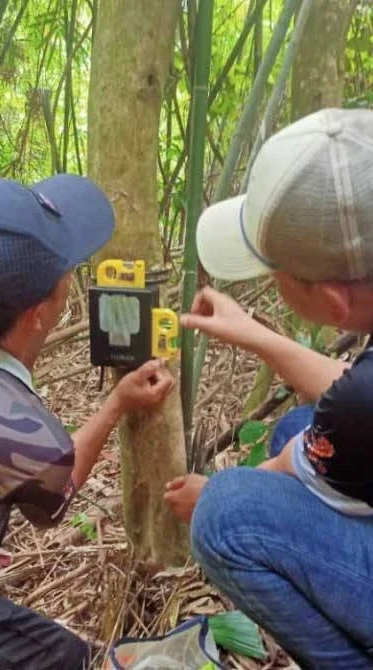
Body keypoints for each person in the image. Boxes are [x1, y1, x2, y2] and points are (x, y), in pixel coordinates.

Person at [162, 108, 373, 668]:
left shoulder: (360, 405)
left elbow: (342, 416)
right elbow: (348, 399)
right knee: (295, 425)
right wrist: (256, 336)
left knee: (227, 513)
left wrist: (207, 495)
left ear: (332, 303)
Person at [0, 176, 175, 669]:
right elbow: (54, 503)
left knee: (64, 652)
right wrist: (116, 405)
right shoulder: (22, 435)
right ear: (37, 314)